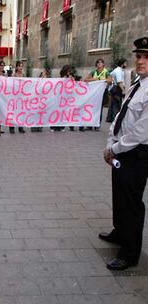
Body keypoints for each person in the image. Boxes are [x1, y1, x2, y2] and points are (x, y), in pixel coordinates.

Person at [100, 37, 148, 271]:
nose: (141, 61)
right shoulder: (138, 82)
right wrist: (111, 140)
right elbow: (121, 116)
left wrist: (114, 149)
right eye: (139, 56)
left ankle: (129, 253)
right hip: (122, 149)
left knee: (131, 203)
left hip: (137, 153)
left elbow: (141, 131)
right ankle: (120, 232)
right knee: (119, 195)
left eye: (147, 57)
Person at [85, 58, 112, 131]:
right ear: (96, 64)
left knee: (99, 109)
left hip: (102, 93)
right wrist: (93, 80)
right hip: (94, 94)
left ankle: (97, 124)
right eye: (98, 63)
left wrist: (103, 81)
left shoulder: (106, 72)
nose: (99, 64)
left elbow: (110, 80)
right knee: (92, 108)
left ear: (103, 64)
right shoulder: (93, 72)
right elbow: (86, 80)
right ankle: (90, 124)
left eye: (101, 63)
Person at [106, 58, 127, 123]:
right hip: (117, 88)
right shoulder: (118, 71)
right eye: (125, 63)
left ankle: (109, 118)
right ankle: (115, 119)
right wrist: (123, 90)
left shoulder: (117, 70)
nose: (126, 64)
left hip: (114, 88)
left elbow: (110, 75)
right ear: (122, 64)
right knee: (116, 104)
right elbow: (119, 82)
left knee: (112, 103)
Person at [9, 61, 26, 134]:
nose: (20, 67)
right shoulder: (14, 75)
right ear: (16, 67)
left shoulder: (24, 75)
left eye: (21, 66)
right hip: (14, 96)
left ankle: (20, 127)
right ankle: (12, 127)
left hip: (21, 96)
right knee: (13, 112)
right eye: (19, 66)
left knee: (21, 112)